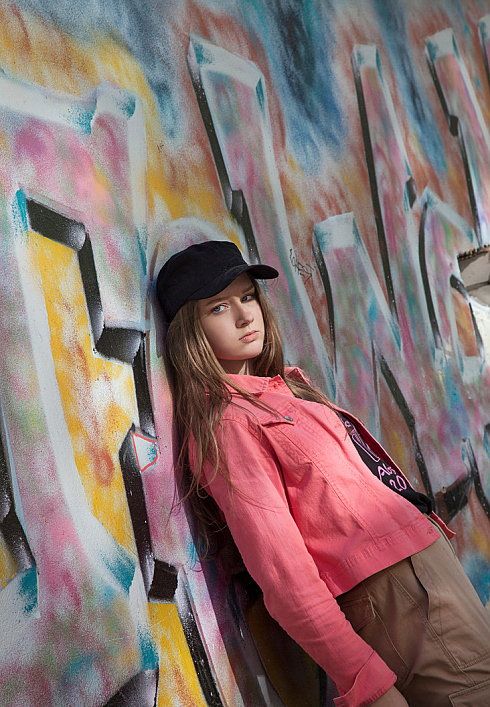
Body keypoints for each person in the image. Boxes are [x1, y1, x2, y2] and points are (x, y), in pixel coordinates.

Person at [157, 240, 490, 707]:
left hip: (426, 583)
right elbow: (284, 575)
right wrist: (366, 683)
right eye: (219, 307)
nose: (245, 316)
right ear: (191, 331)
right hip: (402, 597)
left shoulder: (281, 391)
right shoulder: (229, 423)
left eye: (248, 296)